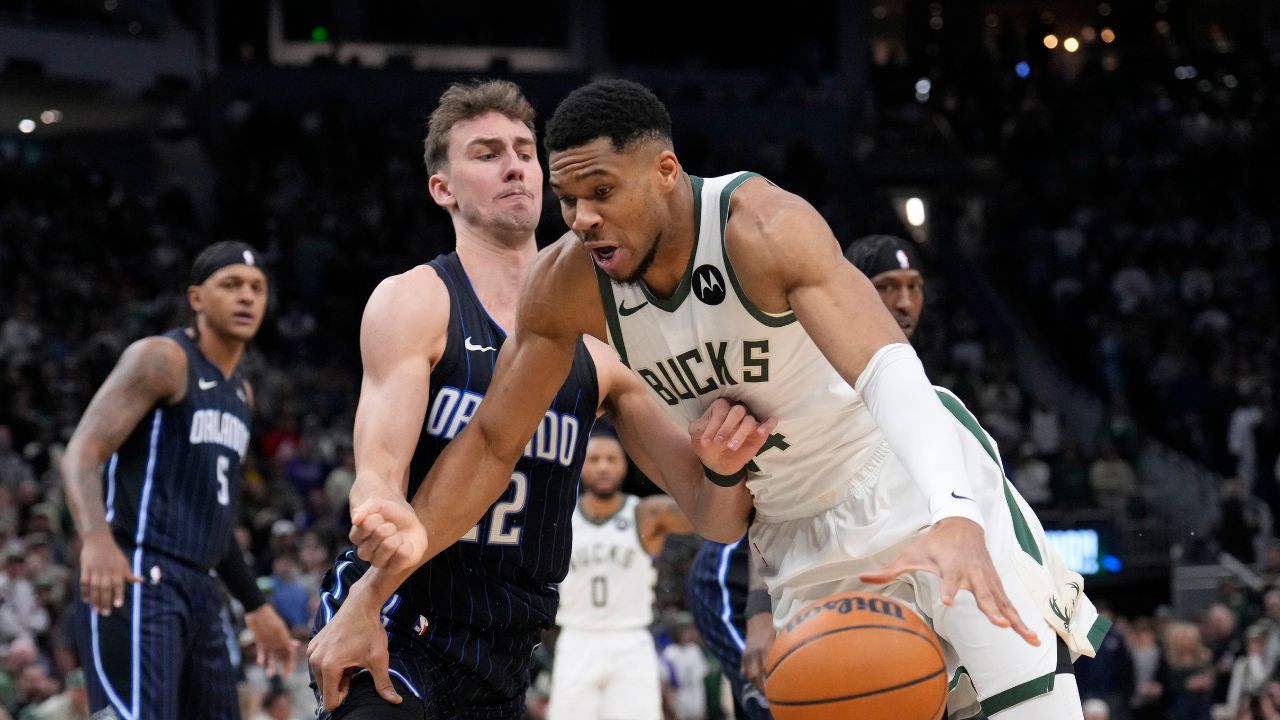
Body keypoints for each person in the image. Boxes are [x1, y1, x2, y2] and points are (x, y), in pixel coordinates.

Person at [345, 77, 1114, 719]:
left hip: (906, 482)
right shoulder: (566, 284)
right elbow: (490, 443)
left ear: (665, 172)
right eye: (571, 199)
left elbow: (890, 370)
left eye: (602, 192)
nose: (582, 219)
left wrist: (956, 512)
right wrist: (376, 587)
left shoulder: (762, 226)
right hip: (794, 530)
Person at [304, 80, 771, 719]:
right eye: (487, 153)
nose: (514, 165)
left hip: (509, 641)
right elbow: (379, 472)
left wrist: (723, 466)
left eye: (525, 151)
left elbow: (715, 518)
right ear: (443, 188)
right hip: (399, 612)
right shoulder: (415, 300)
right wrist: (376, 505)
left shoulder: (606, 339)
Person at [687, 232, 927, 718]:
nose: (904, 302)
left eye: (914, 286)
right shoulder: (805, 362)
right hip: (744, 565)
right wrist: (760, 614)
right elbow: (772, 499)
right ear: (850, 288)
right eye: (887, 285)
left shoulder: (902, 372)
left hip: (822, 554)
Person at [60, 241, 298, 719]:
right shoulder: (163, 359)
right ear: (196, 298)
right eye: (231, 285)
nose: (247, 297)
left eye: (257, 288)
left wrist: (255, 605)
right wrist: (96, 540)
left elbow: (216, 518)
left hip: (200, 589)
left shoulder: (242, 393)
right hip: (139, 571)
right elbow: (82, 452)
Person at [548, 428, 693, 719]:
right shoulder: (559, 517)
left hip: (630, 640)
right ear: (580, 465)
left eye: (611, 459)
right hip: (576, 638)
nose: (603, 466)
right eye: (594, 459)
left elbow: (707, 517)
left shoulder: (647, 514)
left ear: (624, 465)